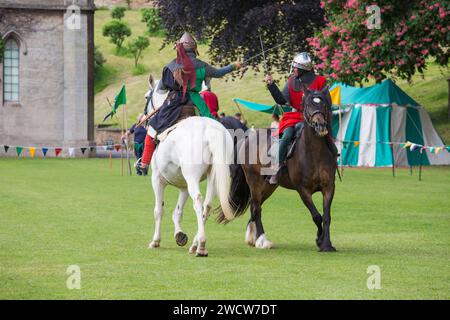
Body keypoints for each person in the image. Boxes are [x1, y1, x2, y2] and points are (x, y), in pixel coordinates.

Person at [138, 32, 242, 175]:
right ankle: (229, 156)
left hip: (174, 103)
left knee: (152, 130)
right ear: (195, 49)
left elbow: (162, 88)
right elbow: (219, 73)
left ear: (179, 49)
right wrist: (233, 66)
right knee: (215, 125)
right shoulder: (202, 65)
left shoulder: (171, 66)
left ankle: (144, 164)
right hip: (196, 102)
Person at [264, 52, 332, 184]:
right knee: (288, 135)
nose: (293, 69)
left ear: (302, 69)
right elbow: (281, 100)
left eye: (295, 67)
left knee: (325, 136)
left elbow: (328, 102)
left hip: (315, 118)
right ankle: (276, 167)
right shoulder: (291, 82)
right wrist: (271, 85)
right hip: (293, 117)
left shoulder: (320, 81)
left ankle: (332, 160)